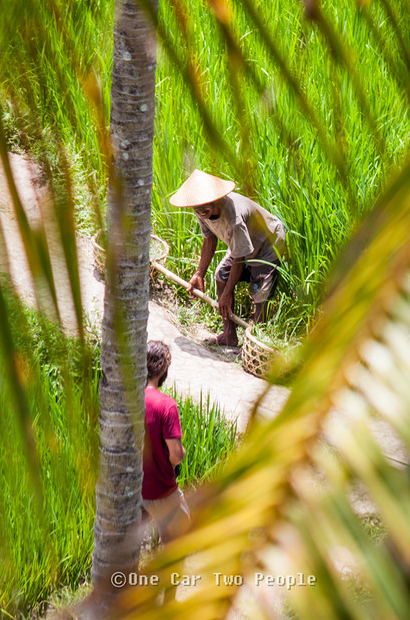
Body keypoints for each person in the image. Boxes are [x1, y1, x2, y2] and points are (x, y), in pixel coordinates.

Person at [169, 169, 287, 347]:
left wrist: (227, 294)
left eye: (204, 208)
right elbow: (210, 239)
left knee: (260, 293)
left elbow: (239, 258)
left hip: (267, 243)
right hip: (241, 244)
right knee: (221, 276)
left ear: (215, 200)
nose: (200, 212)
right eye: (196, 208)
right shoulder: (201, 210)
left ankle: (256, 342)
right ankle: (229, 335)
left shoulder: (234, 218)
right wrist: (199, 273)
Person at [142, 340, 190, 544]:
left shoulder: (125, 397)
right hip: (159, 490)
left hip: (131, 488)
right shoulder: (166, 405)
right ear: (163, 372)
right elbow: (176, 454)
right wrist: (181, 455)